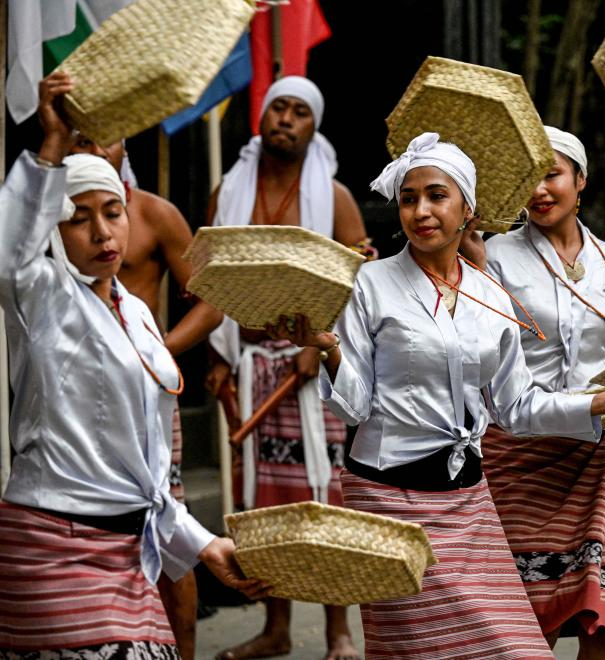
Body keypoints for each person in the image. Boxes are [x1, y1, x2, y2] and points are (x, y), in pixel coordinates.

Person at [268, 131, 605, 659]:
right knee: (421, 650)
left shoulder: (491, 295)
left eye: (437, 196)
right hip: (390, 497)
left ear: (468, 210)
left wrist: (599, 404)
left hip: (469, 499)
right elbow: (355, 405)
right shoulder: (369, 284)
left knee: (517, 650)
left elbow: (516, 408)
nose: (421, 211)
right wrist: (329, 349)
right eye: (409, 199)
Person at [0, 72, 267, 658]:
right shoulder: (40, 295)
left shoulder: (138, 316)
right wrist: (52, 141)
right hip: (54, 545)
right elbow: (9, 248)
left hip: (128, 552)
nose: (102, 232)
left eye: (113, 212)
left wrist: (203, 544)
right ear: (53, 230)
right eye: (79, 218)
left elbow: (145, 475)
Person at [476, 126, 605, 658]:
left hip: (598, 456)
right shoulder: (493, 257)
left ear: (581, 180)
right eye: (527, 178)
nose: (539, 190)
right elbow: (491, 372)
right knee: (530, 625)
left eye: (551, 174)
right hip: (518, 455)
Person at [208, 76, 367, 660]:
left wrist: (320, 344)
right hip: (250, 365)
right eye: (280, 107)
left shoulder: (335, 195)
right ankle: (276, 628)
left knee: (325, 499)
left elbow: (359, 281)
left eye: (301, 111)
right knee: (264, 505)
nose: (287, 119)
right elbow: (210, 279)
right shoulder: (229, 190)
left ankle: (338, 630)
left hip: (313, 370)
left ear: (313, 127)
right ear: (263, 115)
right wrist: (217, 358)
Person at [69, 134, 203, 659]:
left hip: (148, 393)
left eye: (106, 136)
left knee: (168, 524)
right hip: (75, 400)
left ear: (125, 143)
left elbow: (211, 299)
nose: (94, 148)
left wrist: (154, 350)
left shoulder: (154, 214)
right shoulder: (48, 228)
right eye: (81, 137)